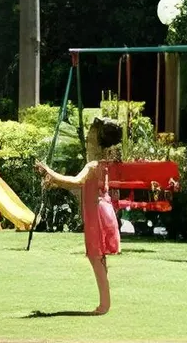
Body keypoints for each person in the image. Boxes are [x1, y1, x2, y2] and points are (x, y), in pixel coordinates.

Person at [35, 116, 124, 314]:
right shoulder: (102, 164)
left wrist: (50, 171)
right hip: (101, 210)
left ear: (97, 142)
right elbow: (81, 187)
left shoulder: (92, 165)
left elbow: (77, 182)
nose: (87, 140)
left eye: (90, 136)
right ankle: (104, 303)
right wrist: (55, 180)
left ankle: (104, 305)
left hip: (96, 213)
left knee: (95, 256)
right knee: (98, 257)